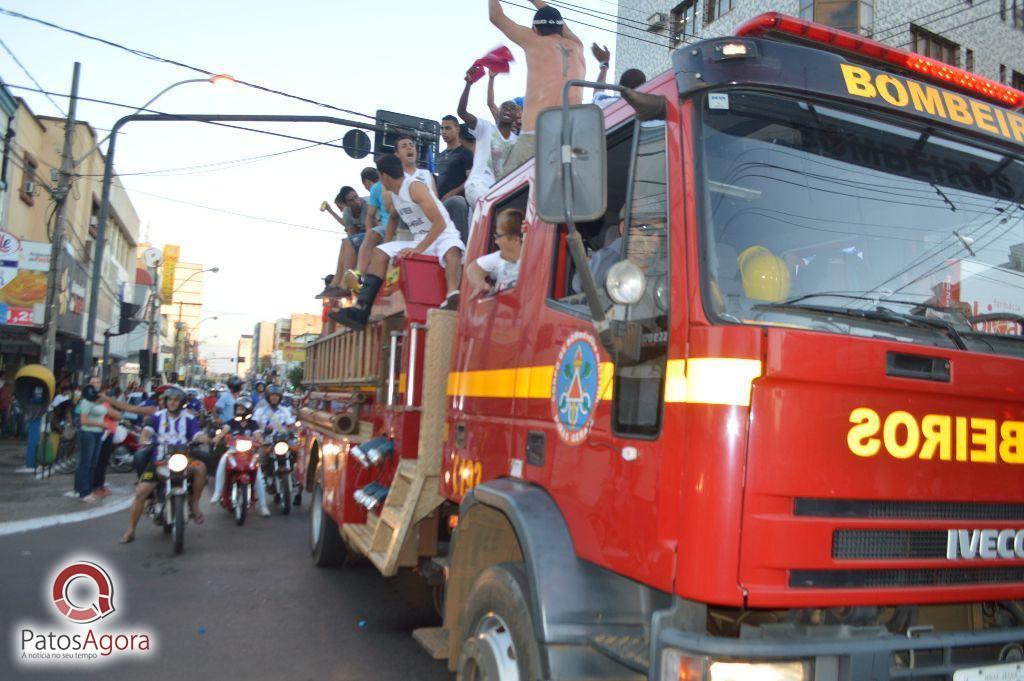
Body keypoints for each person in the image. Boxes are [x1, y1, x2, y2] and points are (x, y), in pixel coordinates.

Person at [330, 154, 466, 330]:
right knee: (379, 253)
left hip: (443, 235)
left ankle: (452, 295)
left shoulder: (415, 187)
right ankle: (361, 310)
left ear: (384, 175)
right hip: (420, 240)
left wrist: (418, 248)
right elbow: (394, 217)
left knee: (453, 251)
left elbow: (439, 223)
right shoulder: (395, 194)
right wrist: (387, 249)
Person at [489, 0, 585, 176]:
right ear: (560, 29)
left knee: (506, 198)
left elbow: (496, 17)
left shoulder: (534, 41)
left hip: (535, 136)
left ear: (535, 29)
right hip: (570, 139)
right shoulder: (577, 47)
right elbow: (562, 27)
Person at [119, 385, 209, 543]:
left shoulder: (189, 418)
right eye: (170, 400)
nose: (173, 403)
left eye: (176, 400)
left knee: (201, 467)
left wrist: (203, 438)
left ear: (181, 402)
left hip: (184, 460)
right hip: (159, 461)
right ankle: (130, 530)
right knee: (141, 492)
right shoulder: (156, 417)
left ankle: (194, 504)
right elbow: (146, 431)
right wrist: (144, 440)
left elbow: (198, 434)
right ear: (165, 401)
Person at [459, 67, 518, 213]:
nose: (508, 110)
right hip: (477, 187)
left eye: (512, 108)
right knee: (492, 211)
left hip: (499, 193)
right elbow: (462, 112)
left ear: (516, 115)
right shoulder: (485, 128)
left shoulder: (517, 142)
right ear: (499, 111)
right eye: (505, 107)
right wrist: (468, 84)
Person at [209, 397, 271, 516]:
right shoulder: (232, 422)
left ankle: (263, 506)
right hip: (233, 452)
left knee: (258, 475)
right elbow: (224, 430)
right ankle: (217, 493)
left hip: (249, 454)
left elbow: (257, 434)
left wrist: (261, 440)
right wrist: (217, 438)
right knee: (223, 461)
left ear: (248, 410)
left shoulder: (253, 423)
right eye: (238, 408)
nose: (239, 410)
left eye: (242, 408)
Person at [466, 208, 524, 297]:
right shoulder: (499, 257)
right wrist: (480, 285)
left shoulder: (534, 260)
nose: (496, 242)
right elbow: (473, 268)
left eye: (498, 236)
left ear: (515, 239)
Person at [438, 115, 475, 243]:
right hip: (440, 204)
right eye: (442, 128)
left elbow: (470, 179)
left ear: (457, 129)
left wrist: (452, 193)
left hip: (459, 205)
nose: (443, 132)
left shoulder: (466, 153)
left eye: (448, 128)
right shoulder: (440, 155)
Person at [72, 377, 107, 503]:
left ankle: (89, 489)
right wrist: (101, 425)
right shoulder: (86, 400)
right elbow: (84, 420)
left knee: (93, 463)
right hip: (88, 433)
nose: (95, 385)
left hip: (98, 434)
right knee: (85, 463)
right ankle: (84, 492)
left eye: (98, 382)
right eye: (93, 383)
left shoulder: (100, 400)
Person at [591, 43, 647, 108]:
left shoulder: (610, 103)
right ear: (643, 87)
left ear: (619, 88)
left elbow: (598, 91)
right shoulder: (652, 106)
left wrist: (604, 64)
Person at [0, 373, 13, 437]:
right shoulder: (6, 390)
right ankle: (4, 433)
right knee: (4, 421)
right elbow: (3, 397)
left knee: (4, 421)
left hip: (4, 407)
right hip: (4, 407)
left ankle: (3, 432)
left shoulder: (4, 389)